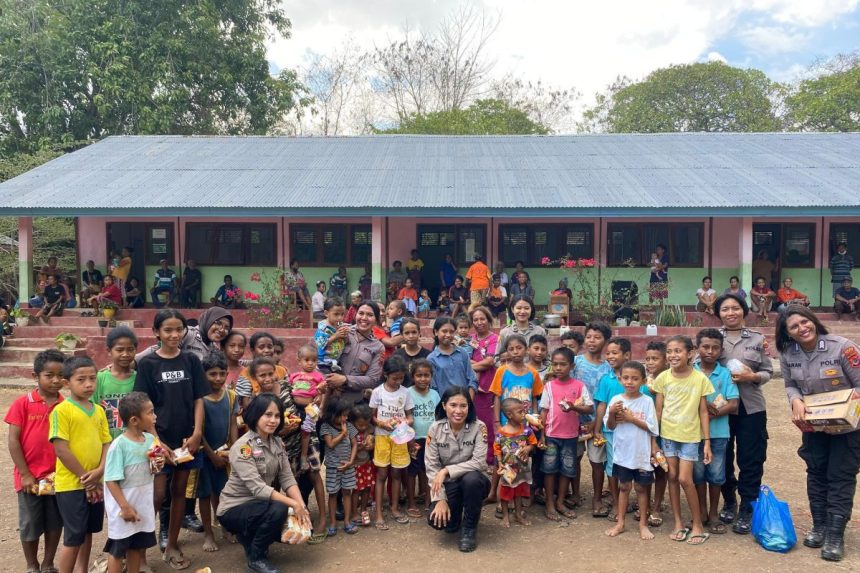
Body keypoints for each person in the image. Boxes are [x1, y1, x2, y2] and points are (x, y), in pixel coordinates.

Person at [777, 306, 860, 562]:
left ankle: (835, 536)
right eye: (794, 326)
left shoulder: (842, 347)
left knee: (840, 475)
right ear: (787, 333)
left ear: (813, 321)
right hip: (815, 425)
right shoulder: (788, 354)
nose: (802, 328)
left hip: (848, 427)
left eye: (805, 322)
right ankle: (819, 526)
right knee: (816, 472)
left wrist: (851, 401)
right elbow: (790, 383)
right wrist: (795, 400)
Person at [134, 310, 209, 570]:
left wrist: (198, 432)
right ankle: (139, 553)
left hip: (187, 440)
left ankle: (173, 543)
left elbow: (199, 398)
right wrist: (156, 440)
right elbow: (143, 405)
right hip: (158, 441)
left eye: (179, 329)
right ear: (156, 332)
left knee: (180, 492)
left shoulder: (191, 360)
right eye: (168, 330)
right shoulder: (147, 364)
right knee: (155, 495)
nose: (174, 335)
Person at [217, 394, 312, 573]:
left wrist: (301, 505)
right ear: (256, 415)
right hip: (234, 508)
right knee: (279, 508)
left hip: (257, 506)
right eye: (268, 415)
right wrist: (293, 504)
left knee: (290, 512)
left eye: (277, 416)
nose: (273, 420)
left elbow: (287, 478)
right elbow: (257, 488)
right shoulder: (243, 447)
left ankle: (251, 541)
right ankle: (256, 558)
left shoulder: (276, 442)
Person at [713, 293, 772, 535]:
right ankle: (729, 500)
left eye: (735, 308)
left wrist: (752, 377)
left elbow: (768, 371)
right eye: (725, 309)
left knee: (751, 458)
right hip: (721, 407)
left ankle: (748, 506)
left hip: (751, 407)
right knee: (723, 456)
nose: (730, 313)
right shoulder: (712, 339)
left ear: (744, 311)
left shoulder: (758, 339)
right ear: (719, 314)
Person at [5, 349, 65, 573]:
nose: (56, 380)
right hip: (29, 477)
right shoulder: (23, 403)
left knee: (54, 522)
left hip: (57, 477)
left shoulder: (65, 405)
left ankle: (48, 563)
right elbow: (13, 441)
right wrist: (25, 473)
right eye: (49, 375)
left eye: (60, 375)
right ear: (35, 376)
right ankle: (32, 565)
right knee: (29, 524)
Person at [50, 357, 111, 573]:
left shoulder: (99, 410)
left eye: (92, 379)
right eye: (81, 379)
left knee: (88, 531)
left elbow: (106, 443)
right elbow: (61, 449)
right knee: (73, 536)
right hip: (72, 485)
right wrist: (87, 476)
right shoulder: (62, 410)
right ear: (67, 383)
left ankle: (82, 569)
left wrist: (100, 470)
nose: (88, 384)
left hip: (96, 481)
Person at [652, 336, 714, 546]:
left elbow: (704, 412)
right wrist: (654, 440)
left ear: (690, 353)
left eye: (677, 351)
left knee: (685, 479)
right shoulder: (663, 378)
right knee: (672, 477)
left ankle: (697, 524)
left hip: (690, 437)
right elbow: (658, 412)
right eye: (669, 351)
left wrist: (707, 441)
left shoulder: (700, 379)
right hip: (668, 436)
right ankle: (678, 523)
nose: (672, 355)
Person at [425, 387, 490, 552]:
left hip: (475, 482)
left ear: (469, 407)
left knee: (471, 480)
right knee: (438, 521)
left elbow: (479, 462)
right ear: (444, 405)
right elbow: (432, 466)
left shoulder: (479, 427)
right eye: (453, 405)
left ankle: (469, 528)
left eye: (463, 405)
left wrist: (445, 470)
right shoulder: (435, 428)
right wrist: (439, 499)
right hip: (450, 484)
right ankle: (454, 514)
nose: (458, 411)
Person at [102, 392, 160, 573]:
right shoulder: (119, 446)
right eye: (150, 413)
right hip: (123, 506)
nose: (155, 416)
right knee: (118, 550)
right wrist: (124, 507)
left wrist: (157, 464)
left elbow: (153, 469)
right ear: (134, 420)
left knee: (136, 546)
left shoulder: (150, 440)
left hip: (142, 503)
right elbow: (111, 479)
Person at [603, 361, 659, 540]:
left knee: (642, 489)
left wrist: (631, 418)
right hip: (623, 454)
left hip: (641, 454)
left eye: (635, 378)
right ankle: (620, 523)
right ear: (620, 379)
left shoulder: (647, 401)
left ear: (643, 381)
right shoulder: (615, 401)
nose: (630, 382)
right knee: (624, 487)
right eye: (626, 378)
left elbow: (652, 428)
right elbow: (610, 426)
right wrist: (612, 413)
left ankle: (643, 524)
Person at [693, 329, 739, 535]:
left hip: (719, 433)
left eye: (715, 348)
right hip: (692, 434)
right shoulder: (689, 371)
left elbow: (733, 403)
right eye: (705, 347)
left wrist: (711, 414)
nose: (710, 351)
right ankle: (701, 513)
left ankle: (713, 514)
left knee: (717, 475)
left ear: (721, 351)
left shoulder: (725, 373)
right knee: (698, 474)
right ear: (697, 348)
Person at [539, 347, 593, 521]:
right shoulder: (549, 386)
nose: (558, 368)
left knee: (567, 471)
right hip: (551, 436)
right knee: (549, 470)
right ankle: (549, 503)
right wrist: (541, 435)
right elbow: (544, 411)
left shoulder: (579, 386)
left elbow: (589, 407)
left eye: (563, 364)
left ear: (571, 366)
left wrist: (574, 407)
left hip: (570, 437)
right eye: (555, 364)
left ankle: (560, 502)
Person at [192, 352, 239, 552]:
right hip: (204, 454)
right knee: (205, 494)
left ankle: (224, 527)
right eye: (212, 374)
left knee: (223, 492)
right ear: (203, 375)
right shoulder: (199, 398)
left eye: (222, 374)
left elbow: (233, 424)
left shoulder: (231, 395)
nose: (218, 378)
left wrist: (234, 451)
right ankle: (209, 534)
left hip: (224, 453)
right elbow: (198, 431)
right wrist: (211, 455)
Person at [573, 322, 613, 517]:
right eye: (589, 336)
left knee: (597, 462)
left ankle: (597, 498)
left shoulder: (608, 368)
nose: (592, 341)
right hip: (575, 422)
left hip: (598, 424)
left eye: (597, 337)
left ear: (605, 341)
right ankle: (575, 494)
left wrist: (596, 424)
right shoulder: (575, 362)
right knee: (575, 458)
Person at [370, 356, 414, 529]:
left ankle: (395, 508)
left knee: (396, 474)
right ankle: (379, 513)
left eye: (401, 378)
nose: (398, 381)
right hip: (382, 437)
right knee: (381, 475)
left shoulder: (405, 392)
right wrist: (381, 423)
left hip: (400, 437)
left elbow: (410, 417)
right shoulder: (377, 392)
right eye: (394, 378)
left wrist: (403, 423)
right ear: (386, 374)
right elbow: (372, 416)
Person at [592, 337, 634, 522]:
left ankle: (638, 502)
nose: (610, 356)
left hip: (633, 431)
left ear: (627, 355)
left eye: (614, 352)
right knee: (612, 467)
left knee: (633, 465)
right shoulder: (606, 379)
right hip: (610, 432)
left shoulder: (635, 378)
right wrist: (597, 428)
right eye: (607, 353)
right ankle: (617, 504)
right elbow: (601, 404)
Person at [323, 301, 385, 405]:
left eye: (370, 315)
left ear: (376, 319)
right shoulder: (341, 331)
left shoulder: (378, 347)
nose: (364, 318)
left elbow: (372, 379)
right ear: (355, 315)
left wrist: (345, 380)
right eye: (361, 313)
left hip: (353, 402)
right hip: (328, 395)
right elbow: (318, 352)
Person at [494, 398, 537, 528]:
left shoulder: (526, 431)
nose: (524, 414)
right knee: (506, 493)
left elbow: (533, 443)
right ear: (509, 414)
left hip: (522, 468)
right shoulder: (501, 433)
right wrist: (500, 462)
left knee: (519, 492)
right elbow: (496, 449)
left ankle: (518, 514)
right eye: (520, 412)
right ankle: (506, 515)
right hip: (507, 469)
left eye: (524, 411)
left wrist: (528, 448)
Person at [406, 359, 440, 517]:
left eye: (426, 375)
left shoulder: (434, 394)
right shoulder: (407, 393)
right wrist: (409, 439)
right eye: (419, 375)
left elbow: (439, 417)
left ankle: (429, 501)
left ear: (431, 377)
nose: (423, 378)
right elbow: (405, 417)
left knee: (429, 470)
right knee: (412, 470)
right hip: (413, 439)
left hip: (431, 440)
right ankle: (411, 503)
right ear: (413, 376)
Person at [93, 326, 139, 441]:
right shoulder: (99, 378)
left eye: (130, 349)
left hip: (134, 443)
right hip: (105, 443)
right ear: (109, 351)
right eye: (119, 350)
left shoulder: (140, 378)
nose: (125, 354)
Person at [320, 399, 359, 536]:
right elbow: (330, 444)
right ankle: (332, 523)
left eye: (347, 415)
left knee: (347, 493)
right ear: (333, 414)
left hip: (347, 466)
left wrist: (351, 461)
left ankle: (347, 522)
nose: (346, 418)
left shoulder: (349, 426)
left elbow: (355, 444)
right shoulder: (326, 427)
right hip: (333, 467)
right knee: (333, 494)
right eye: (343, 415)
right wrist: (343, 434)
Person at [468, 307, 499, 466]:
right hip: (472, 389)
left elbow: (490, 362)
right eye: (475, 320)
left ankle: (490, 459)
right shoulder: (470, 339)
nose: (479, 322)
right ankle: (474, 459)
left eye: (482, 319)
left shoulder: (494, 339)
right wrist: (479, 364)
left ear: (489, 319)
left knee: (488, 425)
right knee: (472, 425)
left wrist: (471, 364)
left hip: (488, 387)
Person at [428, 317, 478, 397]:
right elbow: (433, 388)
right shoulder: (432, 359)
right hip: (443, 405)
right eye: (444, 331)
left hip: (464, 405)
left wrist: (468, 403)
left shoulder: (462, 353)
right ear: (436, 332)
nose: (448, 335)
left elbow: (472, 379)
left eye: (451, 332)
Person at [496, 295, 547, 362]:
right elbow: (496, 359)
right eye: (519, 308)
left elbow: (546, 358)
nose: (522, 311)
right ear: (512, 309)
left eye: (526, 308)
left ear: (531, 309)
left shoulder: (540, 332)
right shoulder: (505, 333)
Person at [349, 405, 376, 528]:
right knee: (356, 490)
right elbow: (350, 449)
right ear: (353, 422)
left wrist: (371, 445)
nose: (363, 428)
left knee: (366, 489)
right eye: (360, 425)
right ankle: (354, 513)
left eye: (365, 425)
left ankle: (363, 510)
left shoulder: (369, 430)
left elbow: (373, 445)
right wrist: (360, 447)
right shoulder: (351, 433)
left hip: (366, 464)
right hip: (356, 466)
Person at [391, 317, 431, 385]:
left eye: (414, 332)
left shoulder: (428, 356)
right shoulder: (396, 355)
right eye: (407, 333)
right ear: (402, 335)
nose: (411, 336)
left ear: (419, 333)